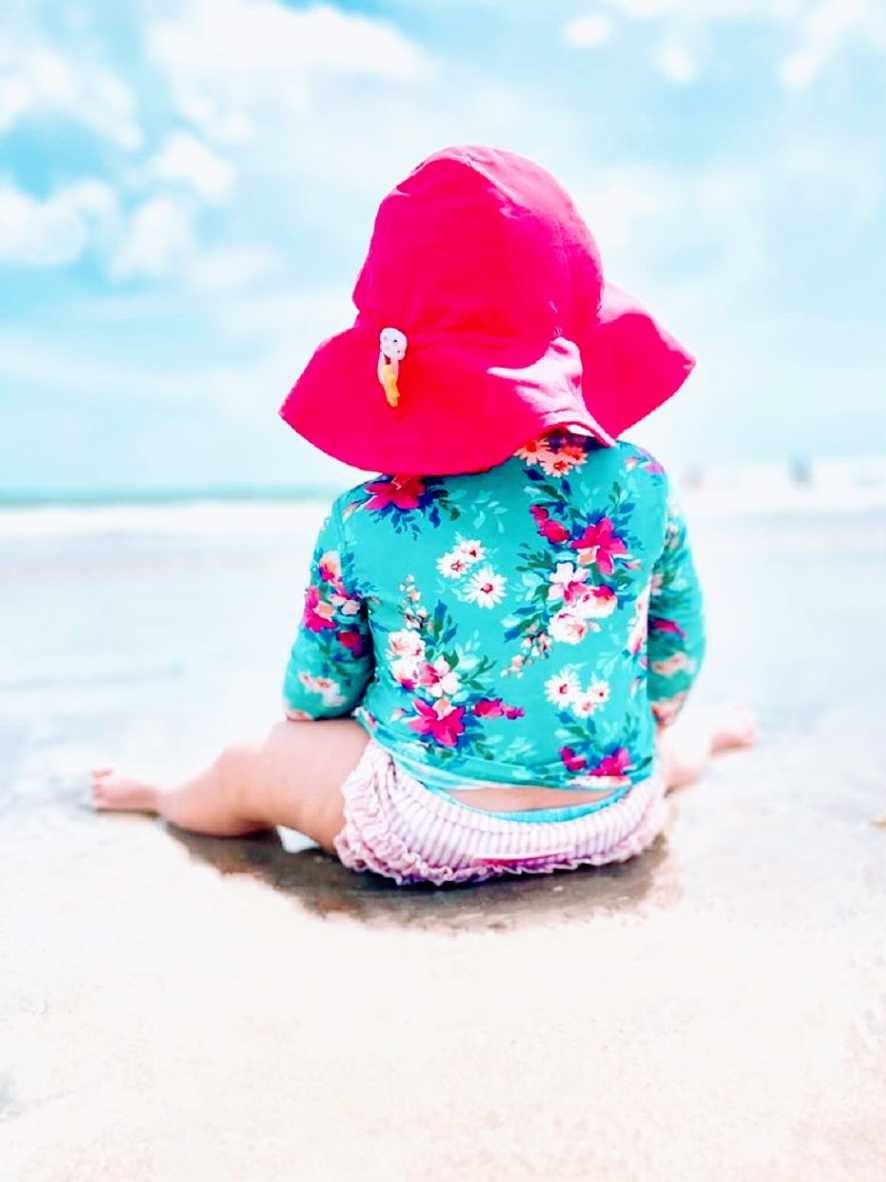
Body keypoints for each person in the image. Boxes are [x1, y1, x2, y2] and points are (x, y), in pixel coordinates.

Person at [93, 146, 755, 885]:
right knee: (666, 746)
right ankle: (708, 737)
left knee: (252, 760)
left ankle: (166, 796)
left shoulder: (369, 515)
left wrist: (314, 727)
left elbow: (317, 692)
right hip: (613, 812)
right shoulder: (643, 481)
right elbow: (676, 641)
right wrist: (661, 709)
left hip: (432, 823)